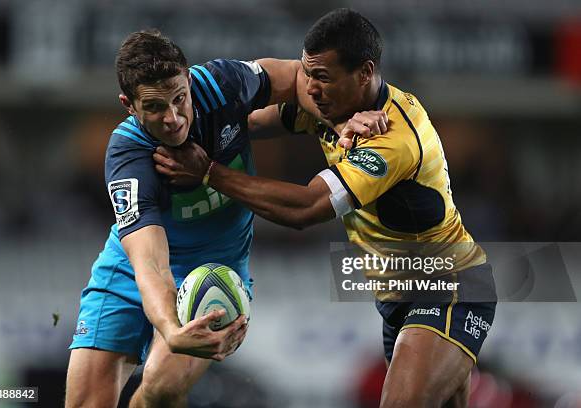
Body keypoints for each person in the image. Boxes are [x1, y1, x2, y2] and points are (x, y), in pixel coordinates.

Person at [153, 9, 496, 408]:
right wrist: (175, 124)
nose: (310, 89)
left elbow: (307, 208)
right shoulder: (332, 109)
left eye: (323, 78)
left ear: (365, 72)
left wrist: (209, 172)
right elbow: (243, 123)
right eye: (307, 73)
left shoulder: (393, 138)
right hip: (398, 295)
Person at [66, 29, 387, 408]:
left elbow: (297, 77)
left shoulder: (221, 84)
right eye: (154, 107)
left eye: (179, 99)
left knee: (159, 390)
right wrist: (170, 329)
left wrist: (339, 119)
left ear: (189, 79)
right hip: (130, 274)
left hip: (214, 275)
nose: (172, 118)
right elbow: (150, 264)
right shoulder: (129, 157)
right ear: (128, 105)